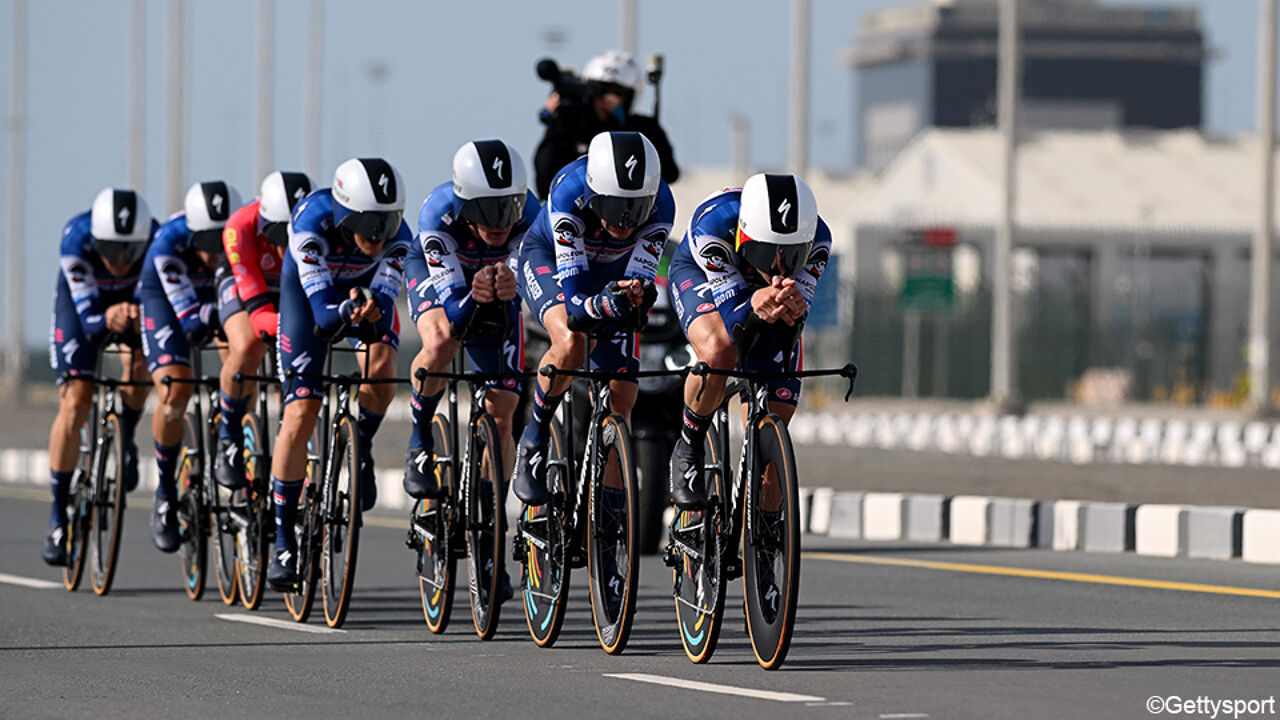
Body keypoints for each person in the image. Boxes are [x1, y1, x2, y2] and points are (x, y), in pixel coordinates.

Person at [267, 157, 411, 591]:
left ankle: (360, 445)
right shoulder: (311, 220)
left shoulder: (400, 239)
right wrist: (349, 309)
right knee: (301, 411)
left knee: (383, 367)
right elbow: (325, 318)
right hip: (310, 301)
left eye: (385, 223)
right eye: (367, 224)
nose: (377, 235)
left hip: (361, 296)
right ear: (345, 214)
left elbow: (383, 306)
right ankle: (282, 539)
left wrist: (369, 310)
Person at [513, 131, 674, 506]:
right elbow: (576, 305)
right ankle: (534, 438)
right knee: (573, 340)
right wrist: (605, 305)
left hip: (609, 272)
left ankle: (613, 519)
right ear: (592, 192)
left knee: (622, 400)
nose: (625, 220)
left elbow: (640, 283)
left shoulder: (663, 203)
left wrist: (637, 296)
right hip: (550, 264)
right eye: (614, 206)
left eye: (636, 209)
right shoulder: (569, 191)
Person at [665, 173, 831, 508]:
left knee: (777, 415)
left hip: (754, 295)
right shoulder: (713, 225)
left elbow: (789, 332)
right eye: (768, 253)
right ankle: (689, 443)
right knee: (720, 350)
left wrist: (794, 313)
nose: (779, 267)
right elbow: (736, 324)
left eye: (792, 255)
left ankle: (764, 535)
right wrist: (754, 305)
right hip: (704, 277)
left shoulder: (820, 240)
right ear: (746, 235)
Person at [401, 140, 539, 501]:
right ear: (463, 205)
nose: (500, 222)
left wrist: (508, 289)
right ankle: (419, 442)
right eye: (486, 210)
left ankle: (489, 510)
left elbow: (510, 312)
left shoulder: (534, 216)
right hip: (444, 275)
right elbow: (459, 316)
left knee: (504, 410)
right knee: (442, 340)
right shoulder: (437, 213)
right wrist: (475, 292)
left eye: (508, 208)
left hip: (494, 279)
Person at [42, 188, 156, 566]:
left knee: (141, 367)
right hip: (82, 308)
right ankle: (58, 517)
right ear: (96, 241)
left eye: (130, 253)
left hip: (133, 304)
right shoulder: (75, 238)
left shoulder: (156, 238)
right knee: (76, 399)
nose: (121, 262)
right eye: (111, 252)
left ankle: (126, 430)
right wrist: (108, 317)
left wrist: (135, 314)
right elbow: (90, 320)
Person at [139, 180, 243, 551]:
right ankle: (166, 490)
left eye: (223, 242)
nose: (215, 252)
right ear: (192, 233)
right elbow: (191, 323)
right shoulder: (168, 243)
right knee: (175, 388)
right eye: (207, 243)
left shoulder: (241, 239)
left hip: (217, 291)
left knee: (244, 366)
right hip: (167, 300)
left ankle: (230, 429)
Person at [212, 171, 313, 490]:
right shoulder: (239, 228)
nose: (286, 246)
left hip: (290, 282)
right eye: (278, 236)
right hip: (247, 280)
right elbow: (258, 319)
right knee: (248, 345)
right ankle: (228, 436)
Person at [533, 50, 678, 199]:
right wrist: (556, 125)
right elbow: (545, 181)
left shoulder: (644, 128)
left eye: (617, 93)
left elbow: (670, 173)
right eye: (600, 91)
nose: (606, 100)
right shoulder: (571, 126)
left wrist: (621, 132)